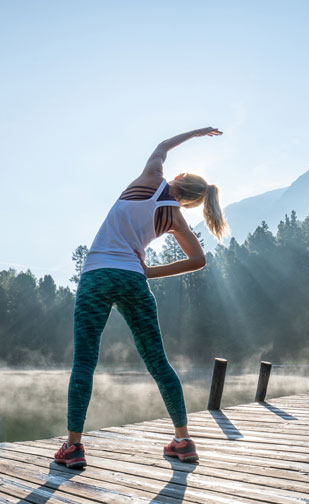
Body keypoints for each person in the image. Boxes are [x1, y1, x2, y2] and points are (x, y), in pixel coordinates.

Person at [54, 127, 229, 469]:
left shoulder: (150, 177)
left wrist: (197, 134)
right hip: (134, 280)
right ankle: (183, 440)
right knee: (158, 362)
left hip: (96, 276)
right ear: (191, 203)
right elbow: (198, 260)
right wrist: (149, 273)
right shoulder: (174, 216)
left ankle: (73, 447)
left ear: (179, 176)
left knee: (85, 362)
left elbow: (163, 145)